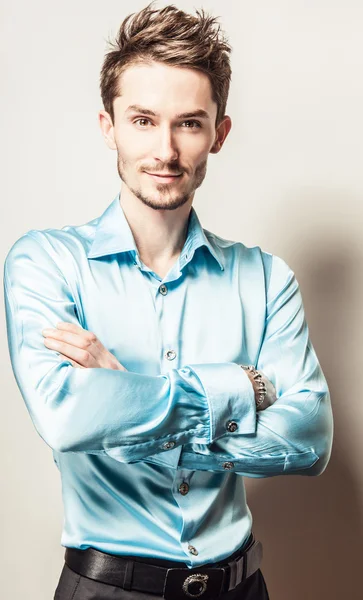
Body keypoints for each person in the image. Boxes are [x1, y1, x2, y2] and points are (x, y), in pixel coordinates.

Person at [3, 3, 334, 599]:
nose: (165, 150)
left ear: (219, 133)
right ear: (108, 126)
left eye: (188, 123)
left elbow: (309, 439)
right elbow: (68, 417)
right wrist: (240, 388)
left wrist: (126, 398)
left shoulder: (265, 278)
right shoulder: (46, 263)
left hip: (242, 586)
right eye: (142, 120)